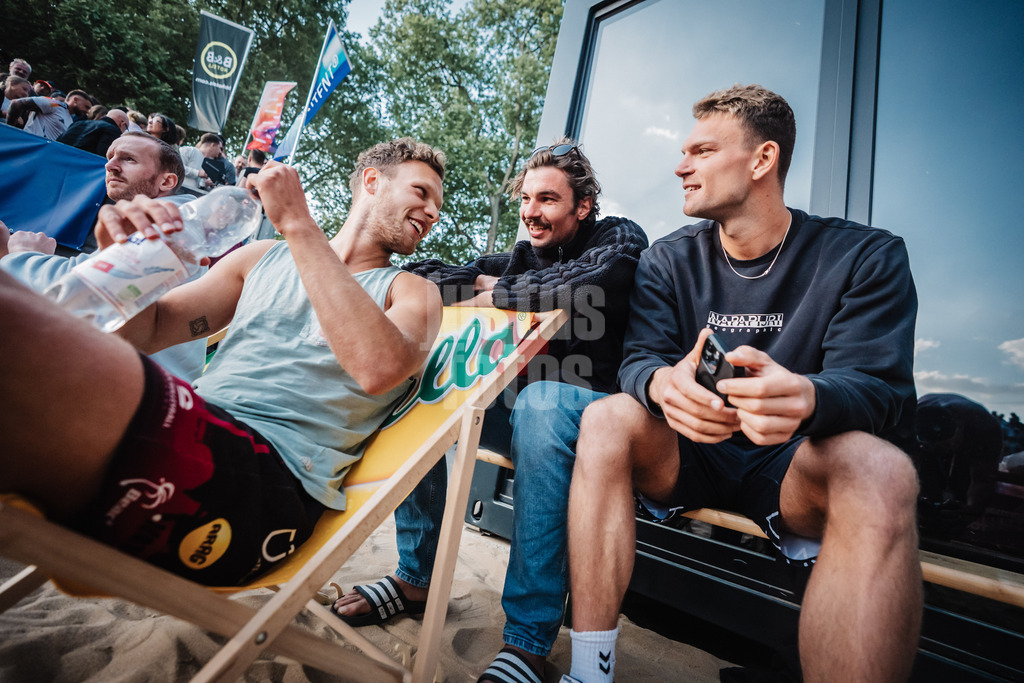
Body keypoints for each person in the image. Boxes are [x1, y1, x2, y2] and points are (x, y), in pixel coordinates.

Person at [560, 84, 922, 683]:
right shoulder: (667, 259)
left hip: (793, 462)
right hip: (691, 452)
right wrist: (662, 384)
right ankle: (588, 672)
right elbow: (639, 359)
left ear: (762, 160)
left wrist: (810, 396)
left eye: (701, 151)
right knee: (605, 418)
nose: (681, 166)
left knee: (882, 470)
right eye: (684, 152)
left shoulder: (865, 255)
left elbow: (879, 390)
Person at [0, 137, 446, 587]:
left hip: (263, 485)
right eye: (422, 192)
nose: (432, 213)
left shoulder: (415, 293)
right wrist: (125, 266)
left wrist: (297, 223)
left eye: (437, 207)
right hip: (190, 427)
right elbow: (150, 332)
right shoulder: (261, 259)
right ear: (372, 181)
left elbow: (377, 369)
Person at [332, 137, 648, 683]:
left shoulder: (618, 237)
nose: (531, 212)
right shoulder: (522, 257)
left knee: (543, 401)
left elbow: (585, 285)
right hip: (523, 410)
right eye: (525, 199)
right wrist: (486, 281)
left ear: (583, 206)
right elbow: (424, 276)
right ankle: (414, 578)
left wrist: (494, 293)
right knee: (423, 382)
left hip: (596, 415)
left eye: (547, 199)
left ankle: (526, 643)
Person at [1, 131, 204, 381]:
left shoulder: (171, 223)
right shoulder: (163, 218)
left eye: (128, 159)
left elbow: (77, 295)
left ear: (166, 181)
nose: (110, 165)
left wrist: (23, 255)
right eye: (110, 157)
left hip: (134, 385)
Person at [57, 108, 128, 156]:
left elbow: (60, 140)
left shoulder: (79, 123)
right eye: (126, 128)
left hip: (60, 158)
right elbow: (104, 155)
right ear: (122, 123)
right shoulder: (113, 131)